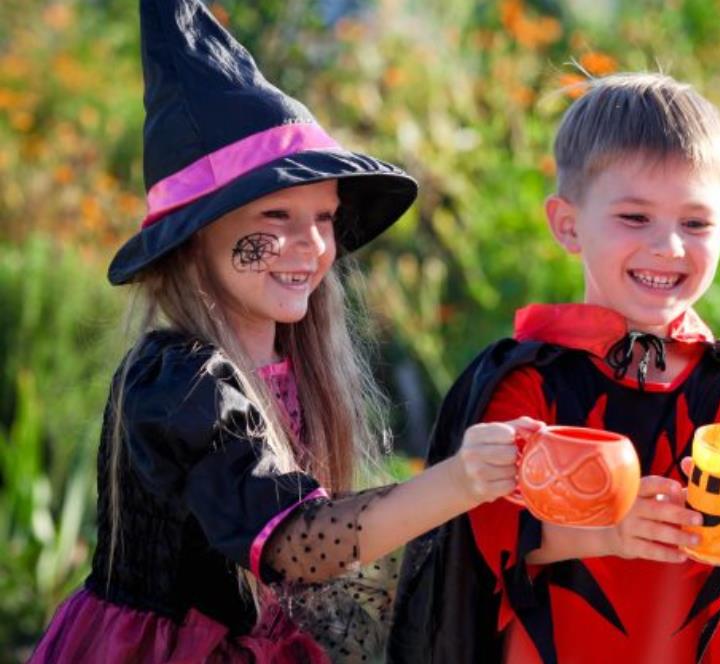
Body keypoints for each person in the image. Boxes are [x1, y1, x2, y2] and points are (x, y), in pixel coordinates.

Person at [30, 1, 538, 661]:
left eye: (324, 218)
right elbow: (300, 548)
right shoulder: (181, 382)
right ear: (194, 239)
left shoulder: (289, 361)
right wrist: (459, 480)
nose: (311, 246)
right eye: (277, 214)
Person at [389, 73, 720, 664]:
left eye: (696, 222)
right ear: (567, 224)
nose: (669, 247)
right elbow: (485, 542)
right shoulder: (528, 382)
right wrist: (606, 531)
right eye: (635, 217)